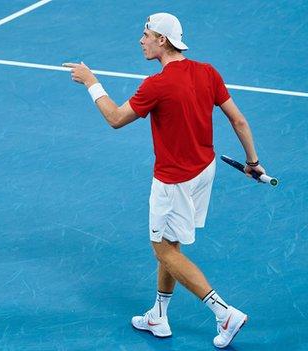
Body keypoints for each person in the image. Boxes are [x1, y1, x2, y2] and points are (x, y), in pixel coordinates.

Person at [64, 13, 266, 349]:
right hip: (204, 170)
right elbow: (239, 121)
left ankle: (224, 313)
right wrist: (253, 162)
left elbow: (115, 118)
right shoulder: (207, 71)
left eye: (146, 35)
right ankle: (159, 315)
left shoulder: (156, 85)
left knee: (163, 250)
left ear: (163, 40)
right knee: (171, 243)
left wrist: (90, 82)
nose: (141, 40)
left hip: (173, 180)